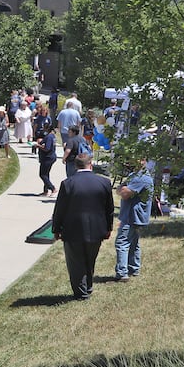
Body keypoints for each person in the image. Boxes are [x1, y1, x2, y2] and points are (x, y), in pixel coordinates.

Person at [52, 153, 114, 300]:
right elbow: (109, 209)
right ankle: (88, 286)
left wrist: (56, 228)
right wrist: (109, 228)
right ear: (90, 164)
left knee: (76, 262)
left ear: (75, 166)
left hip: (73, 229)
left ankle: (81, 292)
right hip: (97, 228)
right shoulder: (104, 182)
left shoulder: (68, 183)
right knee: (90, 259)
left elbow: (60, 209)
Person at [114, 162, 154, 282]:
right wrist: (122, 188)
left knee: (122, 243)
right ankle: (133, 268)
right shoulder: (134, 175)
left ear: (143, 161)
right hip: (132, 216)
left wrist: (123, 189)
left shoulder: (141, 178)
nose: (129, 161)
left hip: (132, 217)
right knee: (133, 243)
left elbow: (124, 193)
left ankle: (122, 273)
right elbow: (119, 189)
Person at [35, 126, 58, 197]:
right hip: (50, 157)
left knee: (42, 175)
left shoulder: (49, 137)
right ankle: (45, 191)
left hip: (48, 158)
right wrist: (40, 142)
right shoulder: (52, 136)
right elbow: (43, 142)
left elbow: (47, 148)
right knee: (46, 174)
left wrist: (38, 146)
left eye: (44, 128)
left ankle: (53, 188)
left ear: (47, 128)